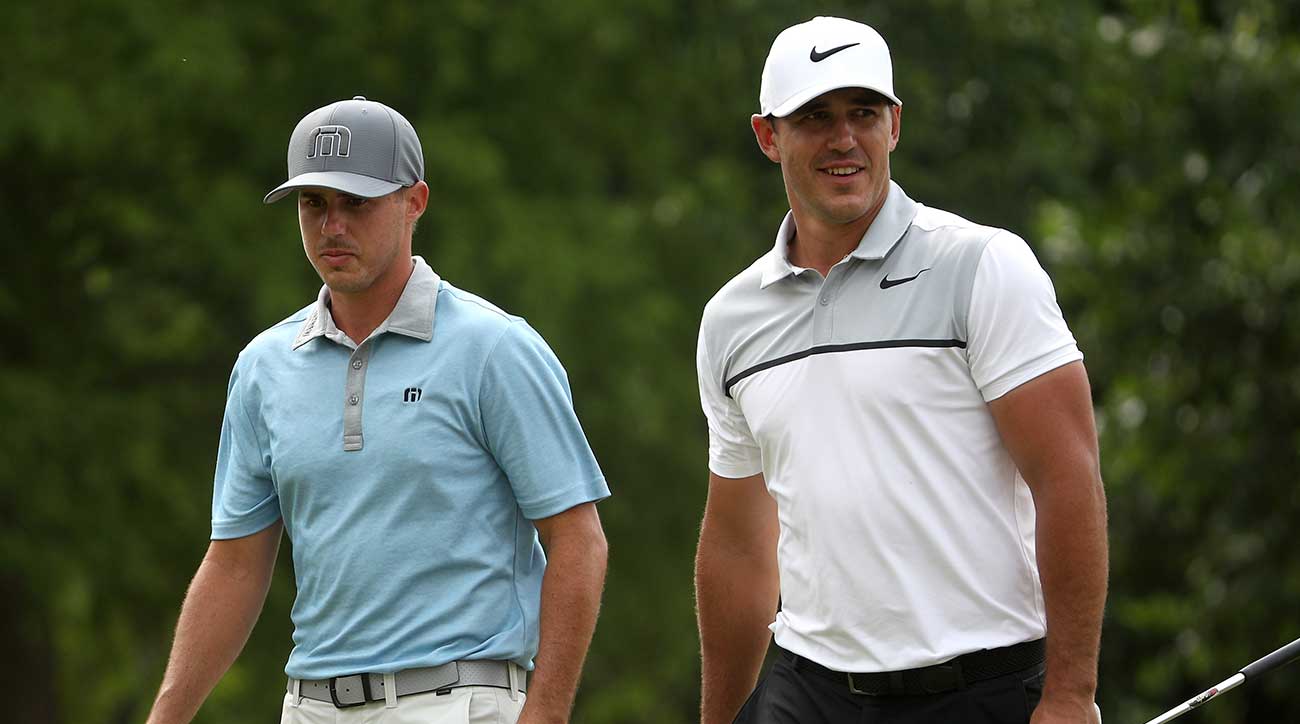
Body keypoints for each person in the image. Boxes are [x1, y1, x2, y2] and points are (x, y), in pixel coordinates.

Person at [694, 17, 1107, 724]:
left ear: (895, 125)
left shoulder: (981, 265)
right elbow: (737, 543)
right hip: (809, 689)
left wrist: (1070, 695)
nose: (843, 138)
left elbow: (1068, 479)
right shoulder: (732, 318)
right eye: (815, 117)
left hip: (980, 686)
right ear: (768, 136)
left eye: (864, 112)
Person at [146, 96, 610, 724]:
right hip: (310, 706)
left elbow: (577, 540)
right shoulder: (264, 366)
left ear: (414, 201)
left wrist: (547, 715)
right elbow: (234, 563)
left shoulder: (494, 348)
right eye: (314, 204)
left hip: (459, 701)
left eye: (356, 203)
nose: (332, 226)